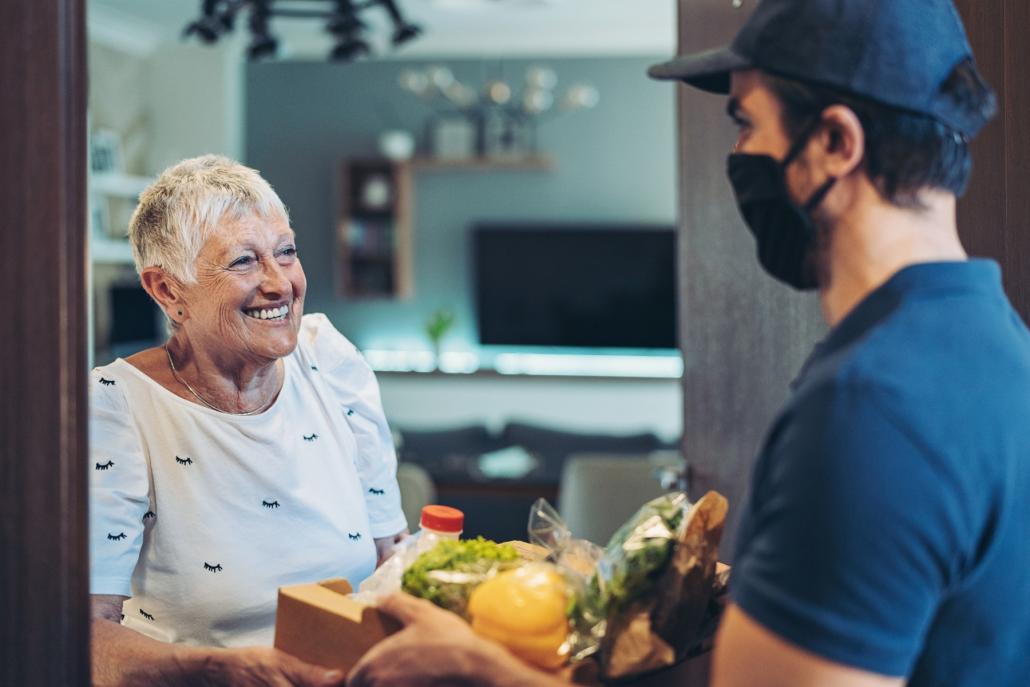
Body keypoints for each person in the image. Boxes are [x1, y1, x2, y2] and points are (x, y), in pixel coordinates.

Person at [347, 1, 1030, 686]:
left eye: (747, 124)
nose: (737, 156)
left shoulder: (870, 406)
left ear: (835, 143)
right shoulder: (1001, 346)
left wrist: (477, 669)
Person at [90, 155, 408, 686]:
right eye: (243, 261)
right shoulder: (115, 406)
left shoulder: (331, 362)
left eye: (286, 252)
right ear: (168, 291)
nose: (280, 284)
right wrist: (221, 669)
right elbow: (82, 634)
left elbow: (389, 563)